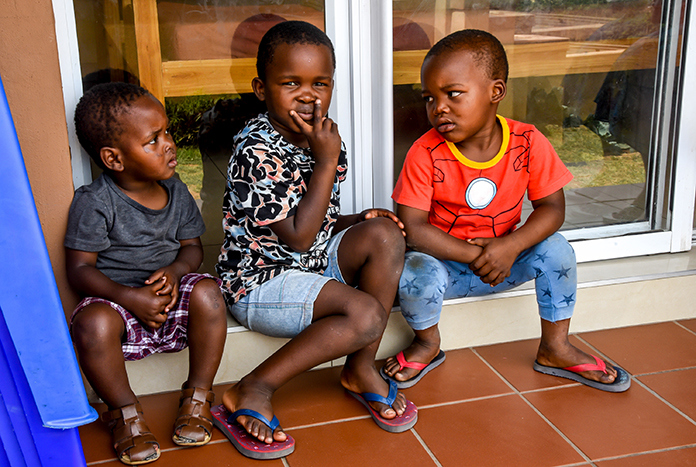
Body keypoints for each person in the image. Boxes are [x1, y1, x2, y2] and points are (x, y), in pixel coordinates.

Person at [381, 29, 631, 394]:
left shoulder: (528, 142)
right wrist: (480, 254)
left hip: (507, 261)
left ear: (495, 92)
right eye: (429, 98)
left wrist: (510, 247)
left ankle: (555, 346)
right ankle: (426, 343)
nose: (439, 108)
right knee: (412, 270)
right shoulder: (425, 152)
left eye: (453, 94)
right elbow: (414, 228)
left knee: (557, 249)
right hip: (447, 266)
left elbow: (552, 209)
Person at [213, 21, 416, 460]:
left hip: (306, 265)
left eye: (320, 83)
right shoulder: (256, 151)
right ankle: (252, 387)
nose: (309, 95)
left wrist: (356, 219)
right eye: (291, 83)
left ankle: (359, 369)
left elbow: (315, 219)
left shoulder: (321, 137)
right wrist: (325, 162)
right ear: (261, 89)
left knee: (384, 233)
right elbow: (299, 238)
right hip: (259, 280)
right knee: (365, 315)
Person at [66, 82, 228, 465]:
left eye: (167, 131)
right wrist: (129, 297)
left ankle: (198, 396)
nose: (169, 143)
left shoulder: (177, 192)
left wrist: (175, 272)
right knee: (91, 324)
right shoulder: (95, 202)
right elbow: (79, 270)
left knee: (208, 293)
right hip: (120, 303)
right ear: (114, 158)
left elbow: (191, 250)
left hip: (170, 300)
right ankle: (125, 414)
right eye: (153, 140)